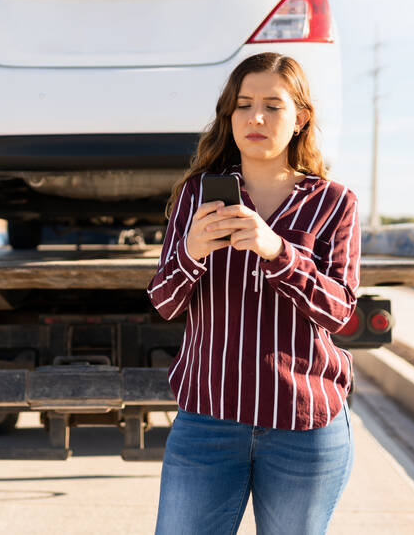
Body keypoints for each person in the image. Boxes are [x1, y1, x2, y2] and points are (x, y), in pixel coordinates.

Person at [147, 51, 360, 535]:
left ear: (301, 118)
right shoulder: (197, 195)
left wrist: (277, 251)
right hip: (208, 421)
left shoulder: (333, 203)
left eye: (272, 105)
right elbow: (164, 302)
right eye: (243, 105)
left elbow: (340, 312)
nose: (255, 118)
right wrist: (191, 252)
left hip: (303, 427)